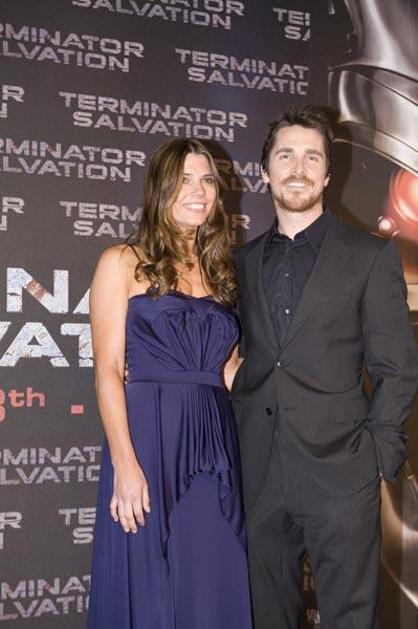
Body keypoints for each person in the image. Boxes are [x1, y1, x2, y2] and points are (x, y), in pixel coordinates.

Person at [231, 104, 418, 629]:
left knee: (351, 618)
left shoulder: (370, 256)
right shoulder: (241, 262)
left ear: (329, 174)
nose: (299, 168)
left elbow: (398, 367)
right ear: (265, 170)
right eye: (285, 155)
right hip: (258, 471)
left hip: (342, 472)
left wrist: (377, 455)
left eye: (312, 157)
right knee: (267, 616)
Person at [87, 138, 253, 629]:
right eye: (184, 180)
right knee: (150, 583)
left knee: (213, 574)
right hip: (148, 439)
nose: (198, 191)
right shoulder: (121, 261)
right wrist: (125, 464)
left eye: (207, 180)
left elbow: (229, 372)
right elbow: (107, 369)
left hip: (216, 441)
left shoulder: (223, 272)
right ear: (160, 188)